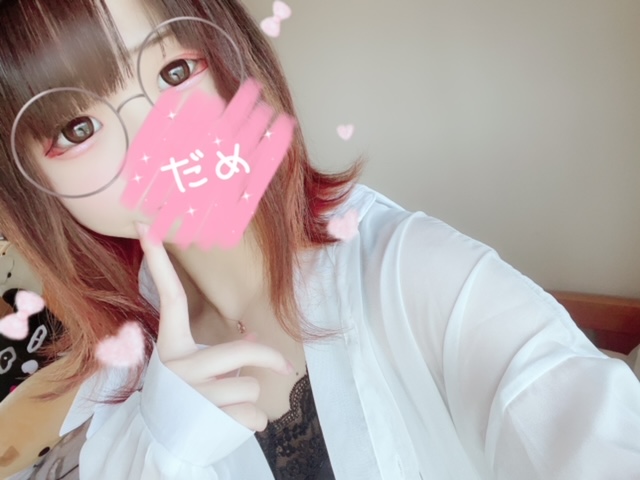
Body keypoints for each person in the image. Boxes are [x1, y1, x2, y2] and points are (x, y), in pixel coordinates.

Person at [1, 0, 639, 479]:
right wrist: (164, 452)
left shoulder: (409, 270)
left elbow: (576, 416)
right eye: (78, 128)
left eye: (175, 71)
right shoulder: (120, 380)